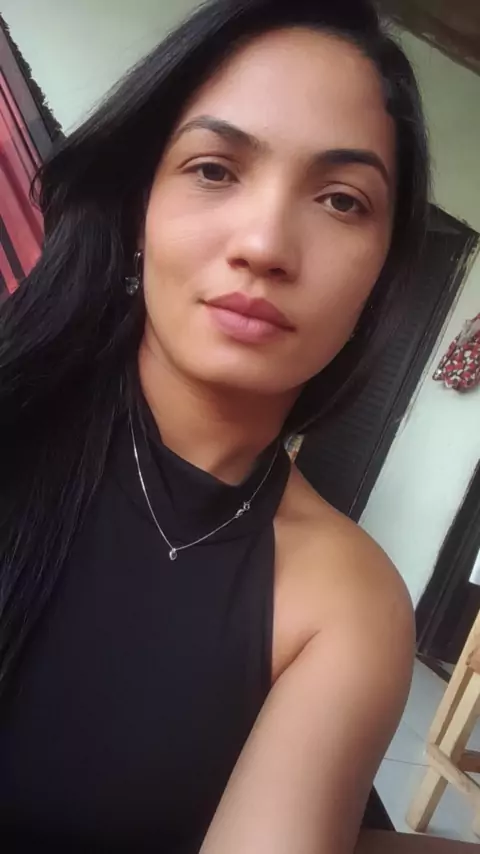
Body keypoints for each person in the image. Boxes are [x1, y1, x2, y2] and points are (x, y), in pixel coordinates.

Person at [0, 0, 429, 851]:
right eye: (214, 169)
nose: (264, 244)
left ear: (380, 280)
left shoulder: (347, 602)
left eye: (341, 200)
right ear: (139, 209)